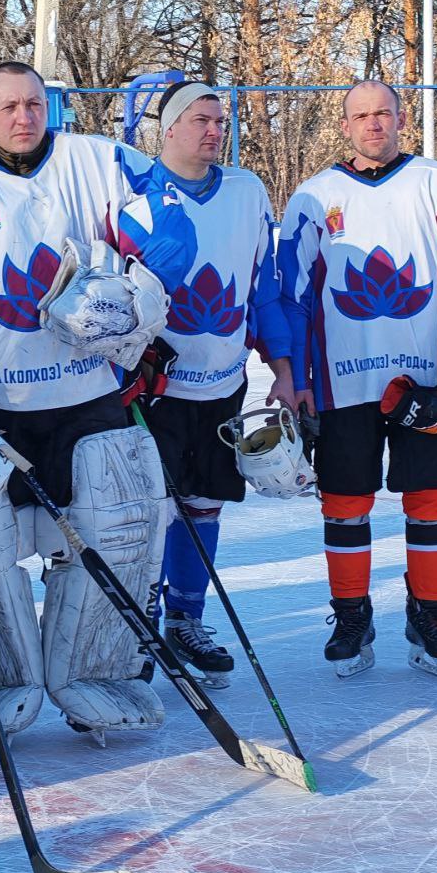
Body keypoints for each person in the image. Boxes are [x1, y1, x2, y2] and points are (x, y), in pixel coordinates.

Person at [0, 61, 192, 745]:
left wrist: (136, 291)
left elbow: (170, 228)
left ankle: (96, 673)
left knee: (116, 533)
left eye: (34, 103)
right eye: (8, 106)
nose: (23, 116)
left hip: (89, 394)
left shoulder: (100, 160)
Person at [278, 79, 437, 680]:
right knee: (345, 503)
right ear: (344, 125)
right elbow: (293, 296)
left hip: (427, 382)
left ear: (401, 119)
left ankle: (430, 614)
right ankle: (352, 615)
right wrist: (294, 375)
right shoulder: (314, 196)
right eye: (361, 115)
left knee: (432, 501)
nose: (373, 124)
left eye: (383, 113)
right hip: (342, 384)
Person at [117, 81, 294, 686]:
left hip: (223, 383)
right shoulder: (134, 193)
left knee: (204, 504)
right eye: (200, 120)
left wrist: (283, 369)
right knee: (150, 513)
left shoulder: (247, 190)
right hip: (154, 389)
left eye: (220, 120)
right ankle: (140, 629)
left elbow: (263, 288)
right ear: (168, 128)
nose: (215, 130)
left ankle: (186, 621)